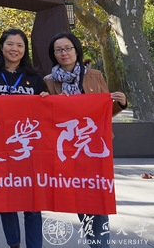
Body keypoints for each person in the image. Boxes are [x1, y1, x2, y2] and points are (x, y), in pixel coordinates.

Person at [44, 32, 127, 246]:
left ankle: (100, 244)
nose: (64, 53)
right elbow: (46, 116)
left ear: (76, 50)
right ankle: (94, 239)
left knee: (96, 195)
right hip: (66, 149)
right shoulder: (48, 81)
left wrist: (120, 103)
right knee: (79, 196)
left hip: (94, 146)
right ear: (53, 54)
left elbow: (104, 111)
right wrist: (51, 101)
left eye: (67, 48)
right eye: (58, 50)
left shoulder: (94, 75)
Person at [0, 28, 48, 248]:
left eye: (20, 45)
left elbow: (45, 114)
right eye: (10, 44)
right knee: (6, 201)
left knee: (33, 203)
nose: (14, 49)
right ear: (1, 46)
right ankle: (13, 243)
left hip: (28, 149)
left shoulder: (34, 78)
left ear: (25, 50)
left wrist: (46, 98)